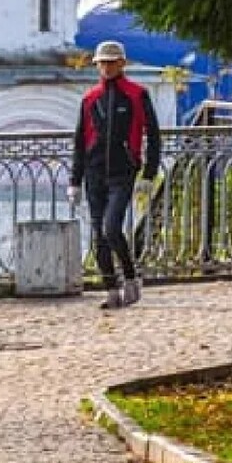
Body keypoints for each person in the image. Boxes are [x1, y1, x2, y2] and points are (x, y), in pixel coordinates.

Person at [67, 39, 162, 310]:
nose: (106, 67)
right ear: (97, 66)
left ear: (122, 63)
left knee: (111, 228)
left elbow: (153, 136)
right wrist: (75, 180)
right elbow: (79, 141)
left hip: (123, 171)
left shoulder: (137, 94)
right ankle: (111, 289)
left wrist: (148, 174)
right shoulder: (89, 99)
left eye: (111, 62)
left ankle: (130, 277)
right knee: (98, 234)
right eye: (102, 63)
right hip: (94, 172)